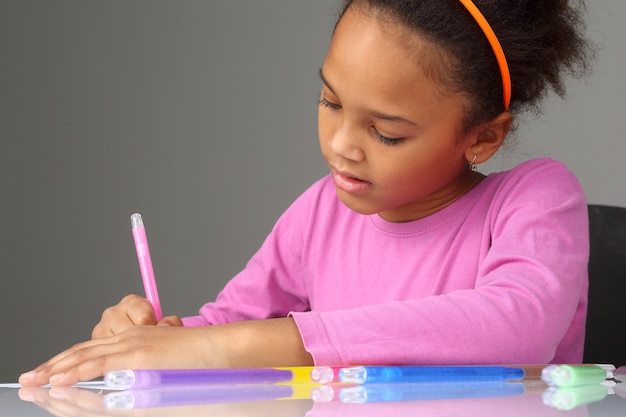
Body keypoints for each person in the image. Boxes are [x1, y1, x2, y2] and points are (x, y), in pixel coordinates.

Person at [20, 0, 594, 387]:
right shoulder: (320, 212)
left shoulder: (535, 197)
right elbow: (228, 331)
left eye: (387, 133)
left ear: (483, 137)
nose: (342, 145)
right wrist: (149, 341)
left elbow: (519, 325)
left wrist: (240, 347)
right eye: (330, 102)